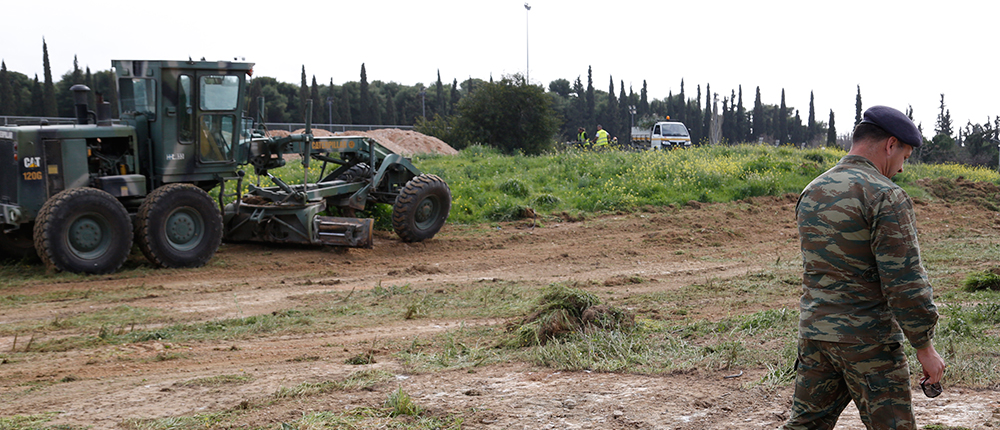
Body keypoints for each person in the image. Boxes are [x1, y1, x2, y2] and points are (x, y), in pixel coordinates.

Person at [784, 105, 946, 430]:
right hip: (868, 344)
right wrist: (924, 346)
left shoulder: (812, 190)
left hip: (816, 337)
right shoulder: (885, 195)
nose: (901, 168)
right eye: (905, 156)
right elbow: (904, 281)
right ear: (890, 145)